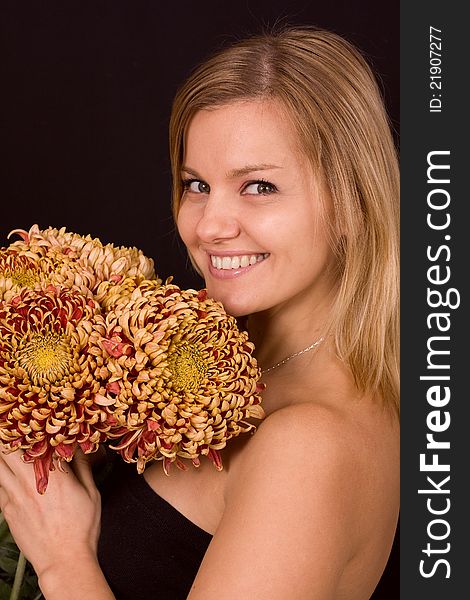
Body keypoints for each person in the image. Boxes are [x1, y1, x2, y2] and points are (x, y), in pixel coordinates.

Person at [0, 26, 399, 599]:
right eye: (196, 184)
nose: (210, 225)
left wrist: (63, 560)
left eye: (258, 186)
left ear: (351, 204)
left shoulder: (310, 447)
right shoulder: (215, 358)